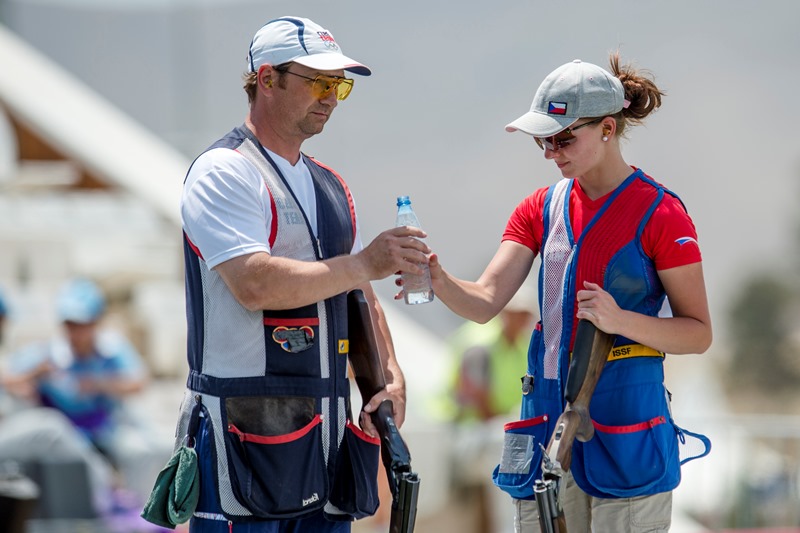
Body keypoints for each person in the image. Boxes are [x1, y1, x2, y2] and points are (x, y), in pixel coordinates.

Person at [422, 54, 713, 532]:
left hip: (625, 436)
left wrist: (620, 322)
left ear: (607, 128)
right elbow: (485, 301)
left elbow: (698, 333)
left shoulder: (663, 214)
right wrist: (437, 279)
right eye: (543, 140)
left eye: (562, 138)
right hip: (544, 432)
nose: (550, 153)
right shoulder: (539, 207)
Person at [172, 15, 428, 532]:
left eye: (338, 84)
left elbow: (361, 297)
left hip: (325, 446)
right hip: (242, 445)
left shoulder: (330, 184)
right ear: (267, 79)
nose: (331, 96)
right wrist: (364, 264)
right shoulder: (225, 171)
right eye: (317, 80)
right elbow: (254, 283)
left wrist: (391, 376)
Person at [2, 278, 169, 507]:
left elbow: (139, 382)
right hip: (68, 435)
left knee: (143, 451)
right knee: (95, 473)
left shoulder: (111, 348)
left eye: (82, 324)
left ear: (96, 322)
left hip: (105, 428)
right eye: (70, 324)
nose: (75, 332)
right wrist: (34, 375)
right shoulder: (48, 353)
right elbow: (10, 379)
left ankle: (141, 513)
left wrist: (98, 384)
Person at [445, 284, 536, 533]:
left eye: (526, 314)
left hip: (501, 431)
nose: (525, 319)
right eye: (519, 313)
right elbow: (480, 404)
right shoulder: (479, 344)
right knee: (506, 444)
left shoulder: (525, 346)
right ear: (505, 312)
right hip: (465, 434)